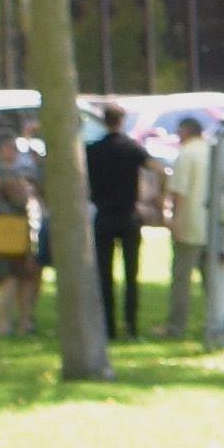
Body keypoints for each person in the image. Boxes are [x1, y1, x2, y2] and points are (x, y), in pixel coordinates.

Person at [86, 103, 148, 341]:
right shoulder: (132, 148)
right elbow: (156, 168)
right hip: (128, 215)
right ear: (122, 121)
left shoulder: (93, 149)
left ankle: (108, 328)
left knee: (104, 274)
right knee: (131, 274)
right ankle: (131, 326)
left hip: (103, 215)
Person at [0, 127, 41, 337]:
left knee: (19, 276)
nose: (14, 152)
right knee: (12, 277)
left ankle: (17, 322)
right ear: (2, 149)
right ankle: (12, 323)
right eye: (11, 148)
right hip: (10, 229)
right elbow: (20, 200)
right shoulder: (5, 174)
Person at [163, 119, 213, 339]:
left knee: (182, 279)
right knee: (212, 279)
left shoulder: (186, 154)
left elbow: (179, 192)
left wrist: (175, 220)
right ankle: (216, 322)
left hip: (190, 222)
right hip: (212, 225)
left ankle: (177, 326)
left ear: (185, 131)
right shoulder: (213, 152)